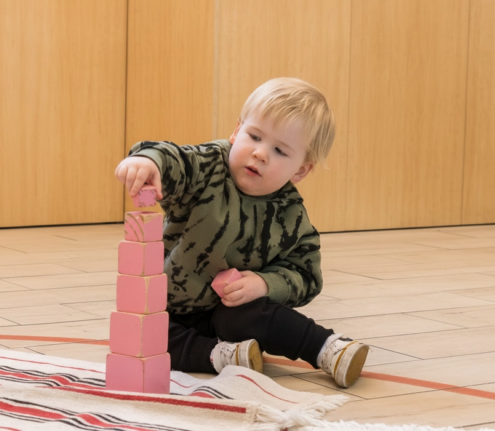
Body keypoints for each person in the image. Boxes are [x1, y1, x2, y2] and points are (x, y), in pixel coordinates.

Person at [114, 77, 369, 388]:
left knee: (254, 315)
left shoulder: (289, 213)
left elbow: (306, 275)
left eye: (279, 150)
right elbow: (176, 159)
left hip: (233, 311)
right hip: (171, 306)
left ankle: (326, 347)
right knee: (146, 336)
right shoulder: (208, 166)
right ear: (236, 131)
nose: (260, 153)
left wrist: (264, 283)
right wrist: (148, 161)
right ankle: (221, 356)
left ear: (301, 170)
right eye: (254, 136)